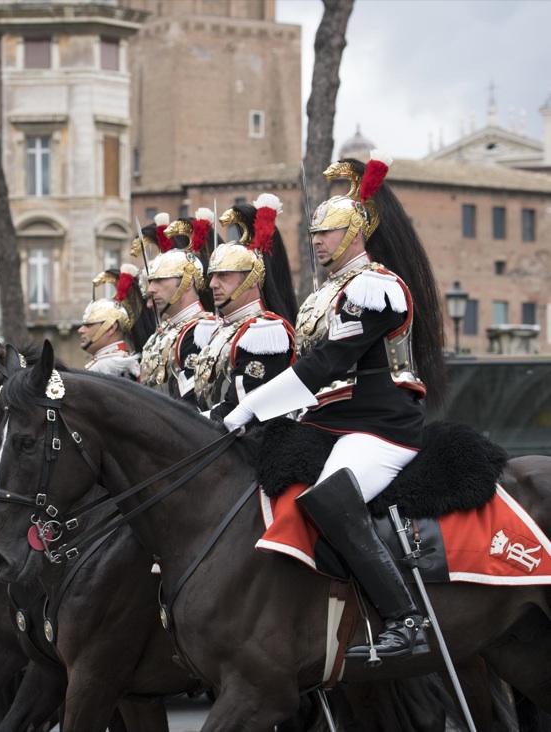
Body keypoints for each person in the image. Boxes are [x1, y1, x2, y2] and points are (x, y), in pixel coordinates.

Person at [222, 152, 448, 662]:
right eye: (315, 234)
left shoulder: (376, 287)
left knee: (330, 498)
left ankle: (405, 619)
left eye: (327, 232)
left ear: (356, 232)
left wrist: (248, 409)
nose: (317, 241)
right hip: (331, 424)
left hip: (380, 426)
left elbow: (327, 363)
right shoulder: (328, 296)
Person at [192, 194, 297, 421]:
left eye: (224, 276)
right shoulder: (225, 329)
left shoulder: (262, 332)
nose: (212, 284)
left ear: (252, 279)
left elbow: (240, 409)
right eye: (212, 276)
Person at [137, 211, 215, 401]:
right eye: (151, 282)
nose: (151, 289)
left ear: (187, 282)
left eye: (160, 281)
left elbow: (189, 402)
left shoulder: (201, 330)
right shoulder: (163, 333)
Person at [77, 266, 142, 380]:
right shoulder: (106, 363)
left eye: (89, 325)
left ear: (111, 328)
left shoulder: (116, 366)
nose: (80, 330)